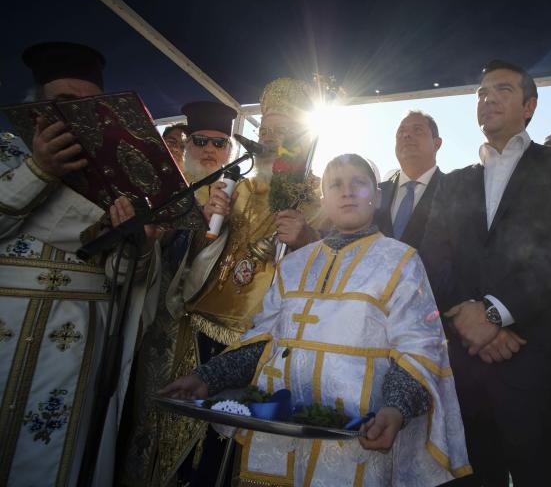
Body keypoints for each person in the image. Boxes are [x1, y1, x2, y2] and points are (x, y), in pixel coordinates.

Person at [161, 153, 471, 486]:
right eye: (335, 184)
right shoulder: (294, 265)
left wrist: (397, 407)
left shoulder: (401, 261)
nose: (347, 191)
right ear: (324, 200)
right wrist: (207, 378)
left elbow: (419, 347)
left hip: (359, 436)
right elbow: (265, 340)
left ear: (378, 196)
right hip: (278, 438)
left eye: (358, 183)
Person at [420, 60, 551, 487]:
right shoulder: (453, 182)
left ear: (529, 106)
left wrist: (496, 313)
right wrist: (468, 320)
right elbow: (432, 258)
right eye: (481, 93)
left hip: (538, 365)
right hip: (463, 373)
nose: (488, 98)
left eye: (502, 90)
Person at [0, 42, 158, 486]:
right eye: (64, 103)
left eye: (90, 107)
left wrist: (138, 245)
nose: (77, 117)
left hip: (78, 337)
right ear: (36, 108)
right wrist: (39, 170)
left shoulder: (119, 179)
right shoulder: (6, 156)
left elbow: (122, 277)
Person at [117, 100, 239, 486]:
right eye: (200, 141)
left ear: (230, 151)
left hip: (204, 342)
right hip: (152, 330)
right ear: (185, 147)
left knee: (189, 441)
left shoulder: (241, 202)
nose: (208, 150)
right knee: (140, 425)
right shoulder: (161, 195)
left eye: (218, 143)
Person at [376, 110, 443, 248]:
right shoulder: (375, 193)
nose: (406, 135)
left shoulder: (455, 192)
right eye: (401, 132)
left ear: (436, 144)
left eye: (417, 130)